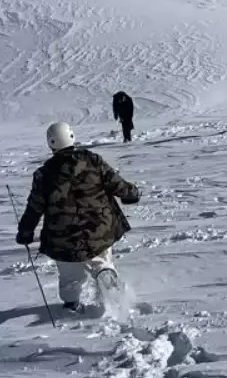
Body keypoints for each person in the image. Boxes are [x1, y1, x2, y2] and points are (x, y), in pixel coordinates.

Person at [16, 122, 140, 312]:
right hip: (99, 228)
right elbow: (116, 184)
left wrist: (25, 231)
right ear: (72, 137)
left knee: (70, 276)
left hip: (63, 237)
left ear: (51, 143)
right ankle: (105, 273)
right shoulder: (93, 161)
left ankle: (71, 304)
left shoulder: (44, 174)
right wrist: (131, 194)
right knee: (101, 260)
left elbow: (34, 208)